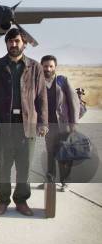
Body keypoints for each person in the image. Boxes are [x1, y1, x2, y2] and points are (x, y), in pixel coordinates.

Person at [0, 28, 48, 216]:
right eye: (10, 41)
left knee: (24, 166)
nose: (14, 45)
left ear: (24, 44)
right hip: (4, 124)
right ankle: (2, 201)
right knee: (3, 166)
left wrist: (43, 122)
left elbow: (42, 97)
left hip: (27, 125)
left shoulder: (35, 67)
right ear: (6, 44)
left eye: (17, 41)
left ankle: (21, 201)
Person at [37, 55, 79, 191]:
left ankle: (65, 182)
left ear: (55, 67)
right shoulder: (38, 82)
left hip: (63, 124)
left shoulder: (62, 81)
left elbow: (74, 102)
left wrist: (74, 122)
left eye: (51, 66)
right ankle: (49, 181)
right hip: (48, 125)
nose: (48, 68)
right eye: (45, 66)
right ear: (41, 66)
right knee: (50, 153)